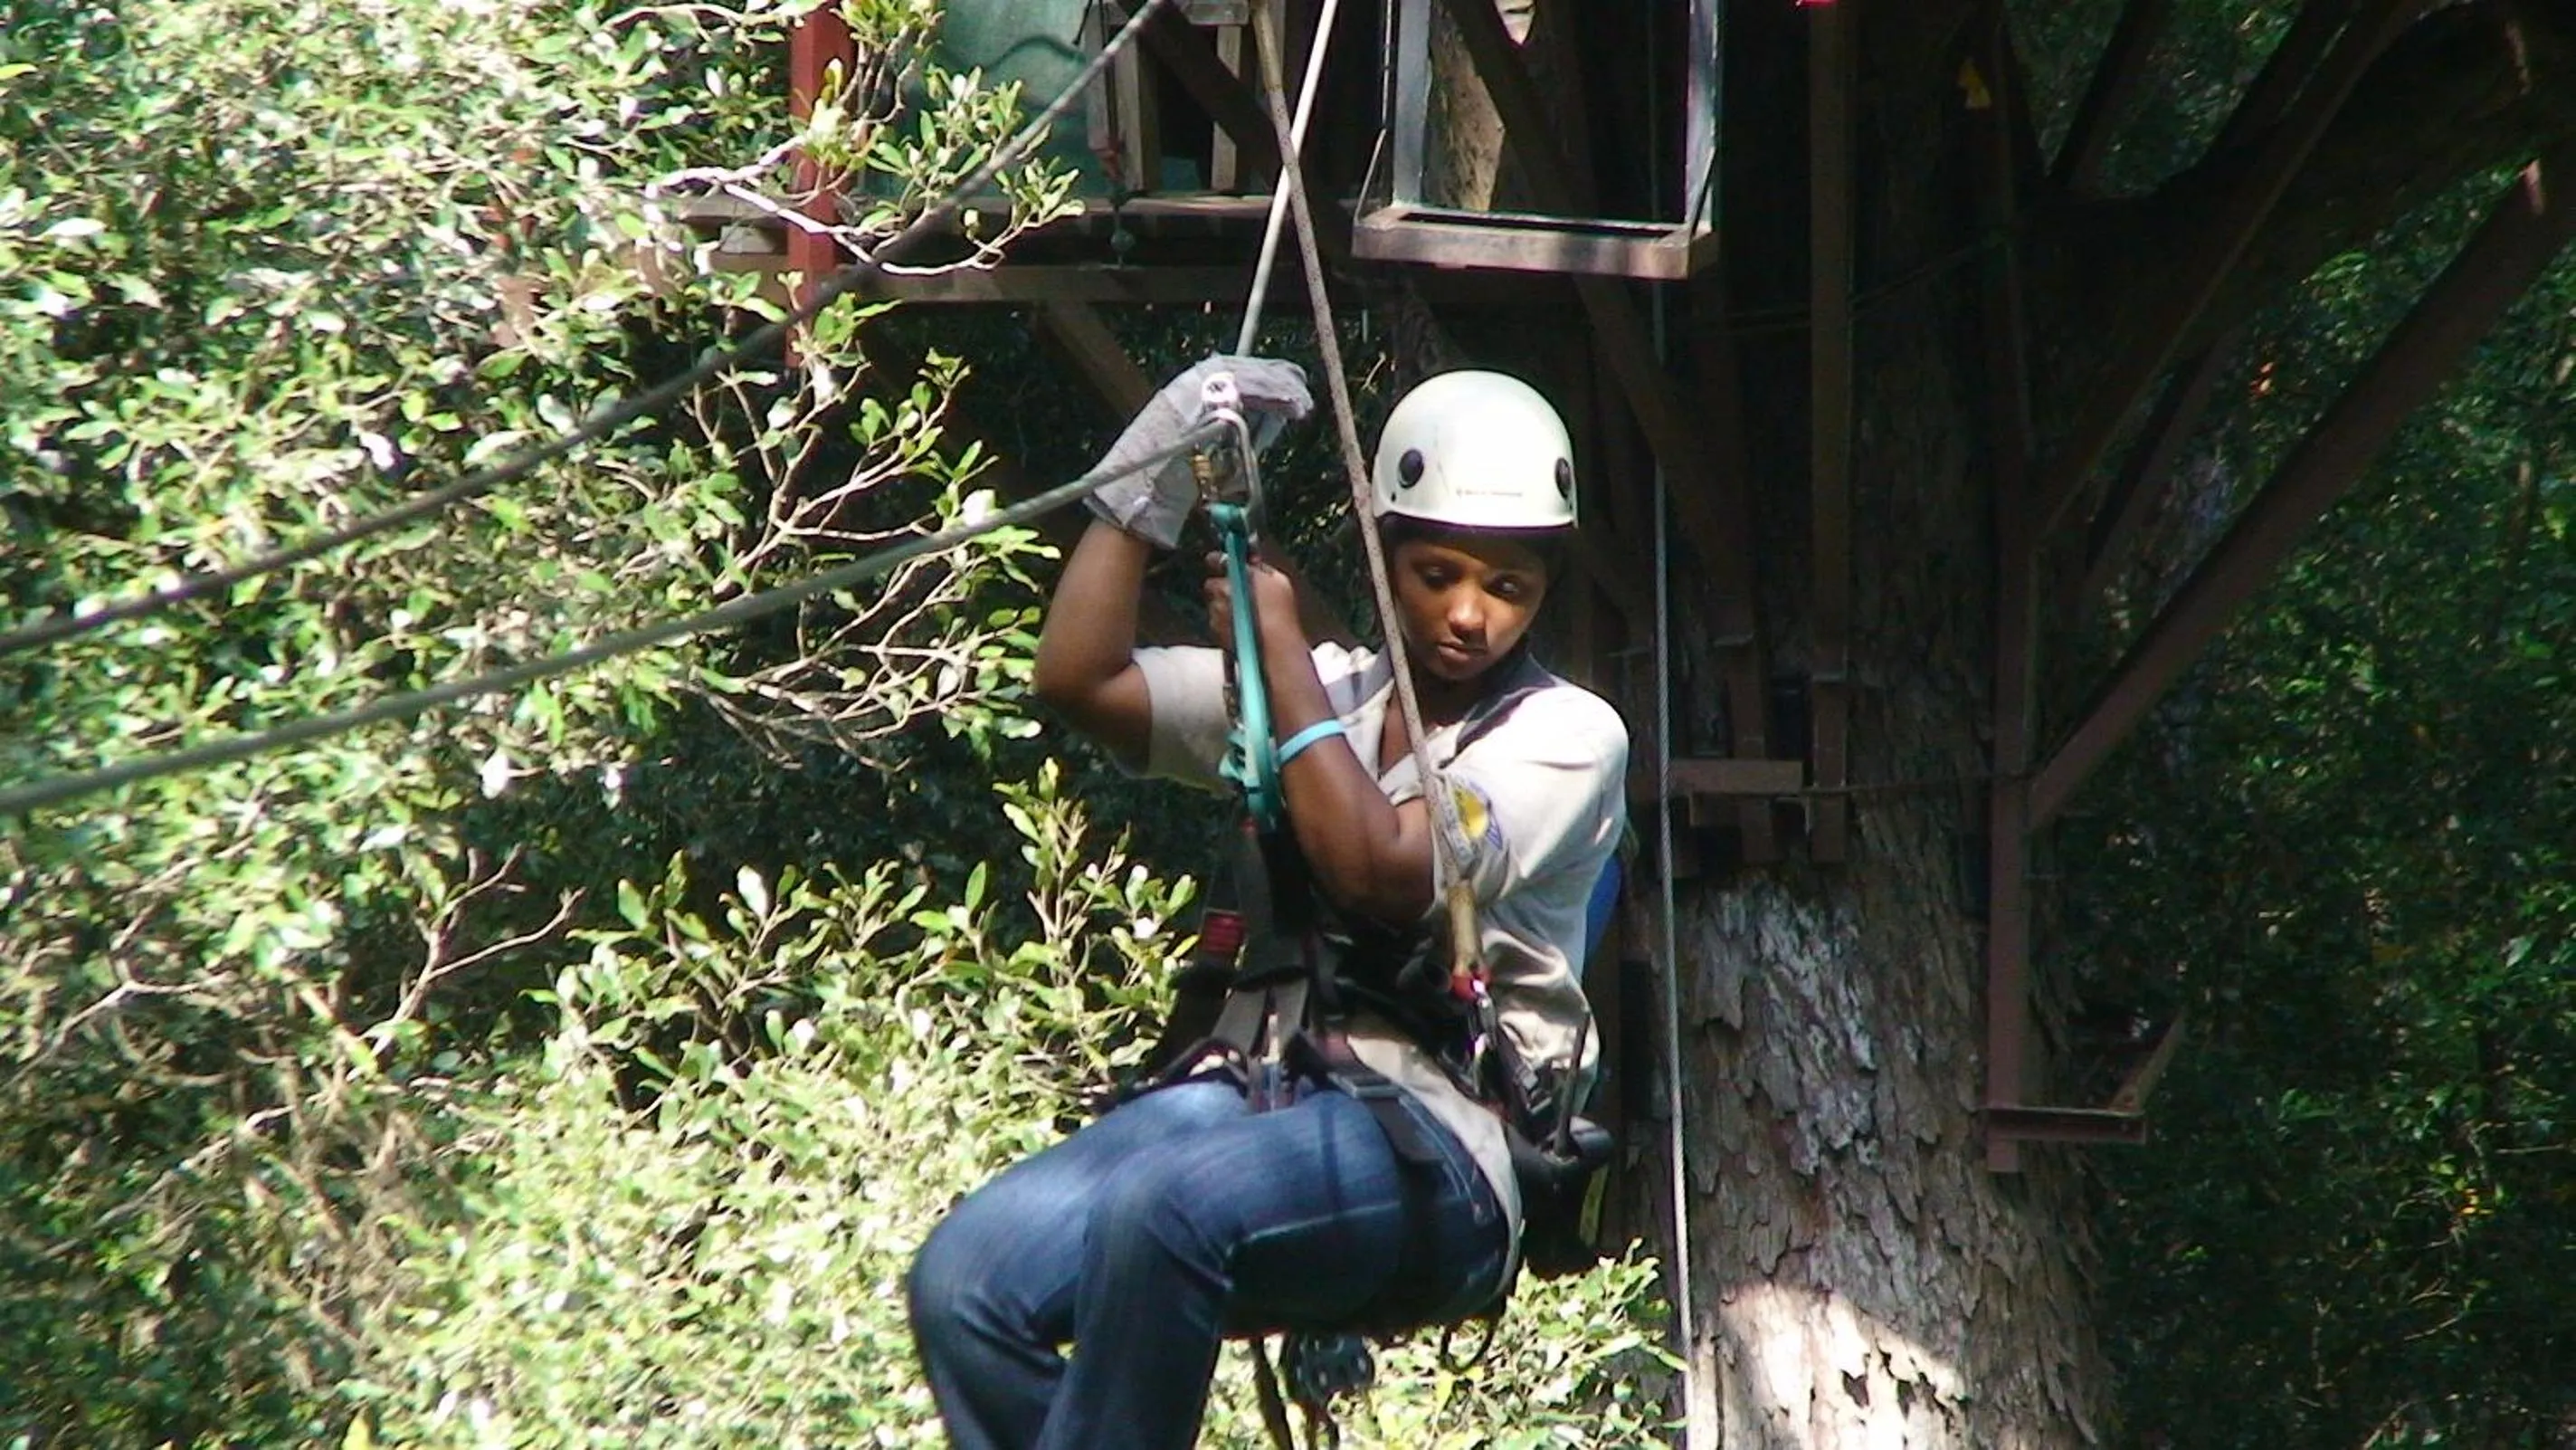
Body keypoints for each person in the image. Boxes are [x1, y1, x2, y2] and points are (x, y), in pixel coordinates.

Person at [905, 358, 1630, 1450]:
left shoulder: (1569, 738)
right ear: (1386, 557)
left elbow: (1383, 871)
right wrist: (1140, 491)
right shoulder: (1332, 688)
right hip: (1252, 1094)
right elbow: (1080, 679)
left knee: (1170, 1209)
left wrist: (1276, 644)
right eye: (1437, 575)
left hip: (1444, 1146)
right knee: (967, 1280)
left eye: (1509, 589)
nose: (1471, 615)